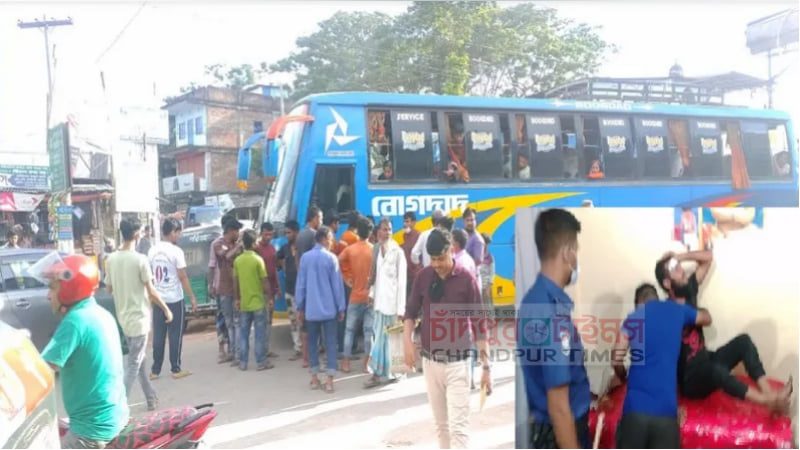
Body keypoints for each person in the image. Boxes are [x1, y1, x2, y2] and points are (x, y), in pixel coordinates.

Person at [655, 251, 792, 412]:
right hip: (691, 381)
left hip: (706, 360)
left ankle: (769, 393)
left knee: (743, 342)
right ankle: (766, 401)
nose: (683, 271)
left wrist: (680, 257)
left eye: (680, 267)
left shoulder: (688, 290)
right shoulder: (666, 313)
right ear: (667, 283)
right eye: (676, 270)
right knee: (716, 371)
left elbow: (708, 258)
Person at [404, 229, 490, 449]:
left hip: (458, 364)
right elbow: (411, 312)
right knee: (441, 427)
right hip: (430, 363)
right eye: (432, 259)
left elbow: (480, 324)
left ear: (451, 250)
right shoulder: (423, 277)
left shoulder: (466, 279)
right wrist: (407, 342)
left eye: (440, 258)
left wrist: (486, 368)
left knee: (458, 429)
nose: (437, 264)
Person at [34, 252, 129, 448]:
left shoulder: (75, 322)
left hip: (91, 432)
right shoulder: (100, 313)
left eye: (53, 287)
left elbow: (40, 370)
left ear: (69, 288)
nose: (48, 295)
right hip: (115, 417)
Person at [518, 208, 590, 449]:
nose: (577, 259)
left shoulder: (536, 301)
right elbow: (559, 406)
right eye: (576, 251)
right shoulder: (549, 311)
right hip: (563, 433)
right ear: (568, 253)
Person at [612, 283, 712, 448]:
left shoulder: (634, 317)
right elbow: (706, 318)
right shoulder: (676, 310)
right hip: (666, 413)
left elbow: (616, 358)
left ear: (638, 302)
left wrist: (622, 376)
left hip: (635, 411)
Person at [105, 218, 173, 411]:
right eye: (141, 232)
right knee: (134, 364)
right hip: (139, 319)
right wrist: (166, 309)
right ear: (136, 234)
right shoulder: (140, 260)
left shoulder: (111, 259)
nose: (142, 234)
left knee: (139, 361)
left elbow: (108, 289)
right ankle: (119, 405)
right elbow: (151, 291)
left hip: (124, 318)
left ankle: (151, 397)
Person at [295, 226, 347, 394]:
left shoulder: (305, 258)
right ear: (324, 239)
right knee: (331, 344)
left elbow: (301, 285)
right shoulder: (331, 258)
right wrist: (341, 307)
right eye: (331, 238)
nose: (332, 242)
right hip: (329, 310)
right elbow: (337, 286)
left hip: (311, 310)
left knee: (312, 345)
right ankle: (330, 381)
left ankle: (314, 378)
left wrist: (300, 306)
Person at [149, 218, 197, 380]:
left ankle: (155, 370)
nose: (179, 235)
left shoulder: (153, 250)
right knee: (175, 334)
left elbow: (151, 276)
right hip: (174, 298)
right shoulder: (176, 251)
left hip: (158, 299)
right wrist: (192, 297)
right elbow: (182, 276)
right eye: (178, 232)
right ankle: (175, 368)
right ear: (172, 232)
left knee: (159, 335)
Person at [365, 218, 407, 388]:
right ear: (378, 232)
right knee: (378, 341)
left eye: (389, 229)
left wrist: (401, 308)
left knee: (394, 341)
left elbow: (402, 282)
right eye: (384, 229)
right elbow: (375, 276)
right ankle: (376, 373)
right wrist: (371, 293)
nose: (387, 232)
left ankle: (396, 372)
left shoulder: (398, 252)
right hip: (379, 304)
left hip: (393, 306)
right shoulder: (376, 249)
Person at [338, 217, 374, 374]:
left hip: (355, 296)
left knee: (349, 331)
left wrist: (346, 278)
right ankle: (366, 364)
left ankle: (345, 362)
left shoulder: (350, 250)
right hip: (370, 297)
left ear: (357, 231)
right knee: (368, 332)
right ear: (371, 232)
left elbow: (338, 261)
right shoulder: (374, 250)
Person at [234, 230, 274, 371]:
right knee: (259, 334)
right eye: (256, 241)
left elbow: (236, 282)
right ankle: (261, 362)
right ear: (252, 243)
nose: (258, 243)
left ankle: (243, 363)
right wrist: (269, 297)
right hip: (258, 303)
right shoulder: (258, 260)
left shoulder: (238, 261)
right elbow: (265, 281)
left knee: (244, 334)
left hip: (245, 304)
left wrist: (237, 299)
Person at [213, 216, 245, 367]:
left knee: (237, 322)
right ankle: (233, 352)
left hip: (237, 289)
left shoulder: (236, 244)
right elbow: (225, 256)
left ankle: (237, 354)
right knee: (229, 322)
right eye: (237, 231)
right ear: (231, 231)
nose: (238, 234)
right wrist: (237, 248)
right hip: (224, 289)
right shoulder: (219, 244)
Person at [277, 220, 303, 361]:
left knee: (305, 320)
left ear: (296, 232)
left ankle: (310, 348)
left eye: (289, 232)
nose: (287, 235)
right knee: (293, 321)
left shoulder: (303, 247)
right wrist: (284, 266)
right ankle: (298, 348)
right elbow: (278, 259)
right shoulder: (285, 248)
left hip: (303, 291)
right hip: (289, 290)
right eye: (285, 233)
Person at [256, 222, 281, 359]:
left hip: (271, 289)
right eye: (266, 234)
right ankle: (262, 351)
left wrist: (277, 287)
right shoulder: (256, 249)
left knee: (269, 321)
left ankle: (266, 348)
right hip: (262, 290)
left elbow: (274, 269)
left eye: (271, 234)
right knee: (262, 321)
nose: (269, 237)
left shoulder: (272, 248)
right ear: (261, 233)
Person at [208, 235, 231, 364]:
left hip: (231, 288)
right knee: (221, 319)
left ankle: (230, 349)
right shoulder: (217, 244)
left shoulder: (234, 241)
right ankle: (222, 349)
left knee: (230, 319)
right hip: (219, 288)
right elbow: (212, 265)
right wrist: (211, 285)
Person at [401, 212, 421, 295]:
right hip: (406, 275)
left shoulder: (419, 236)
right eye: (404, 221)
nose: (405, 224)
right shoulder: (404, 235)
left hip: (416, 275)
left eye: (407, 221)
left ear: (414, 222)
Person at [479, 233, 495, 307]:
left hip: (486, 287)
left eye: (486, 243)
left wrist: (489, 287)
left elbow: (492, 273)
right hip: (477, 286)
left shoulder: (489, 257)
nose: (485, 245)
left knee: (488, 307)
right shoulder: (475, 255)